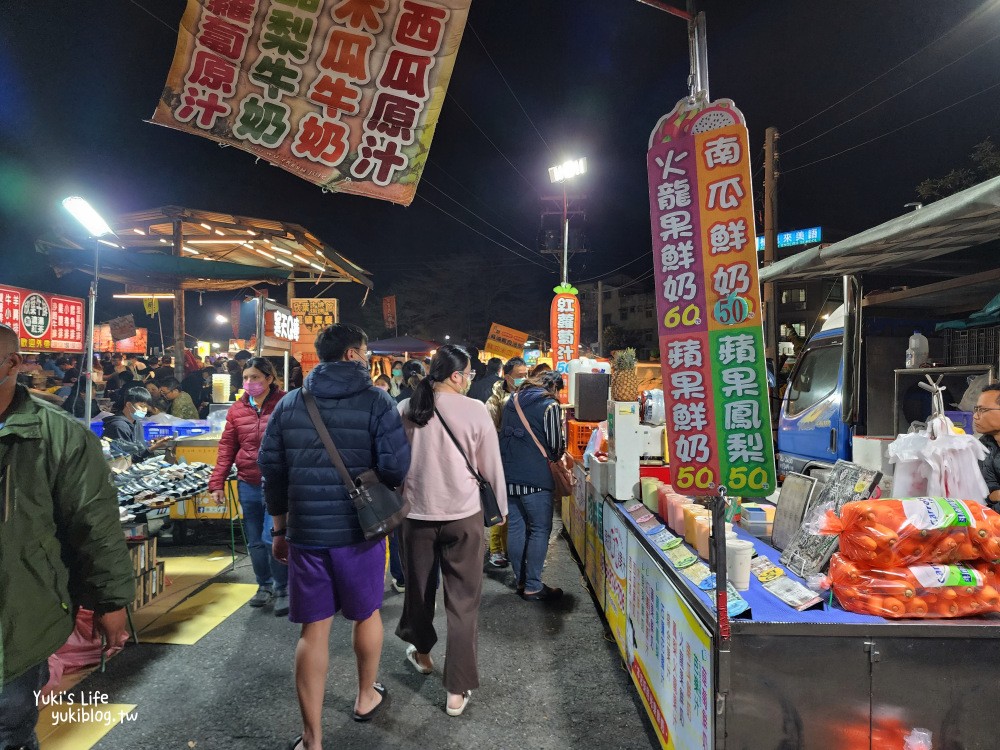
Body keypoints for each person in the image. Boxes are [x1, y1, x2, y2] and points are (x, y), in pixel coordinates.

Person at [259, 324, 411, 749]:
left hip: (306, 533)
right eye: (363, 350)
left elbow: (271, 468)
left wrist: (280, 528)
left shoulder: (291, 403)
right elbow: (396, 468)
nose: (365, 357)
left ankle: (312, 739)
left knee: (314, 631)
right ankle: (365, 697)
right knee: (366, 614)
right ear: (350, 354)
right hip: (359, 532)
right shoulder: (378, 401)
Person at [0, 324, 134, 750]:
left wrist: (110, 600)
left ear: (13, 364)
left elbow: (94, 521)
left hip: (20, 615)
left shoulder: (58, 436)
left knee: (9, 726)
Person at [396, 345, 507, 717]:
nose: (470, 380)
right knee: (463, 603)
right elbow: (491, 465)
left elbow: (396, 465)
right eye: (469, 374)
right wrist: (501, 511)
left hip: (417, 517)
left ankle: (423, 655)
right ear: (457, 376)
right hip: (464, 517)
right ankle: (456, 690)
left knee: (419, 591)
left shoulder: (408, 408)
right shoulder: (475, 410)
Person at [210, 358, 290, 615]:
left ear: (269, 378)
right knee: (254, 540)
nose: (250, 383)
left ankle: (283, 588)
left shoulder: (286, 403)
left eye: (255, 377)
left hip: (277, 484)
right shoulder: (237, 409)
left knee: (272, 537)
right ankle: (263, 585)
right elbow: (227, 447)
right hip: (248, 482)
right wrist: (217, 482)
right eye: (246, 377)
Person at [500, 371, 567, 601]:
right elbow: (556, 446)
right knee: (539, 529)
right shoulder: (549, 405)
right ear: (554, 387)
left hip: (508, 474)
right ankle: (533, 585)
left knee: (516, 528)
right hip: (536, 477)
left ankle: (521, 580)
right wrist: (557, 455)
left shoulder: (513, 399)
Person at [484, 356, 528, 568]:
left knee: (518, 508)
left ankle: (514, 549)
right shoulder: (494, 401)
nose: (524, 379)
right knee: (500, 504)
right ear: (507, 376)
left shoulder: (527, 395)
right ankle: (496, 549)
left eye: (526, 375)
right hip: (502, 458)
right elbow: (488, 431)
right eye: (520, 376)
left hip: (522, 459)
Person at [101, 385, 169, 456]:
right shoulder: (119, 427)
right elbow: (127, 457)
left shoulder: (137, 423)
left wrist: (151, 443)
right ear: (128, 405)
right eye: (142, 406)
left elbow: (139, 448)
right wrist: (154, 447)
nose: (144, 410)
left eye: (146, 407)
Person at [976, 383, 1000, 508]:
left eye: (983, 410)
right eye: (976, 410)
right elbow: (988, 488)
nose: (975, 416)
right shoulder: (986, 444)